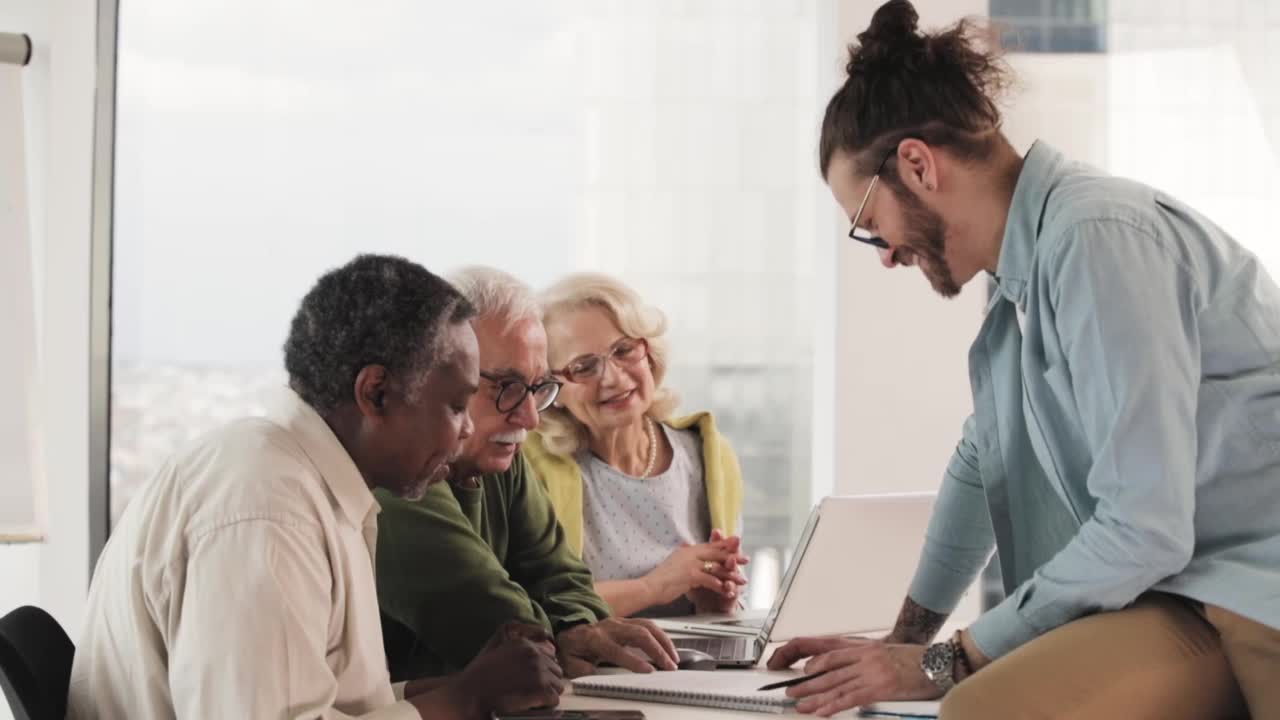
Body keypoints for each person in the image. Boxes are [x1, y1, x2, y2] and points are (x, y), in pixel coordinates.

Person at [765, 2, 1280, 718]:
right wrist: (904, 639)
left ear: (917, 164)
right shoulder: (1021, 286)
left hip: (1255, 587)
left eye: (866, 222)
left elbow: (1145, 525)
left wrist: (948, 659)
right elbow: (985, 460)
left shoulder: (1096, 239)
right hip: (1187, 589)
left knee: (982, 706)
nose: (884, 254)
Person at [67, 255, 564, 719]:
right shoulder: (267, 509)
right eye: (456, 405)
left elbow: (333, 701)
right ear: (376, 393)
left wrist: (474, 683)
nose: (466, 430)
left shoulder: (310, 483)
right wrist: (466, 696)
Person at [376, 266, 679, 680]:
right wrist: (569, 637)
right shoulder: (399, 471)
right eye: (506, 386)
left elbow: (563, 577)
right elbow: (488, 619)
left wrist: (577, 628)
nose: (531, 417)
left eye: (538, 388)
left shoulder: (498, 454)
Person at [524, 273, 749, 618]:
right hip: (590, 669)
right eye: (584, 367)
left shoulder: (709, 454)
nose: (613, 378)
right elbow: (536, 609)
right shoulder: (531, 468)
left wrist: (720, 602)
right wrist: (654, 587)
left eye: (624, 350)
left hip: (693, 664)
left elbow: (720, 609)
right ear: (551, 390)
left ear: (649, 352)